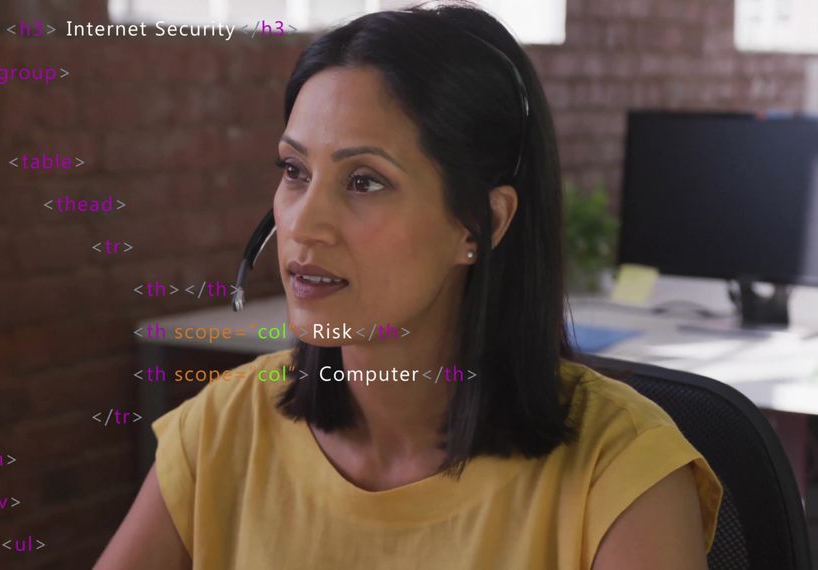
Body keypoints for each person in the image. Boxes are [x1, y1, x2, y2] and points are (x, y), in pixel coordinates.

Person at [95, 3, 722, 568]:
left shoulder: (619, 470)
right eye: (294, 170)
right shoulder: (222, 429)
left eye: (364, 181)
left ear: (480, 223)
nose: (303, 224)